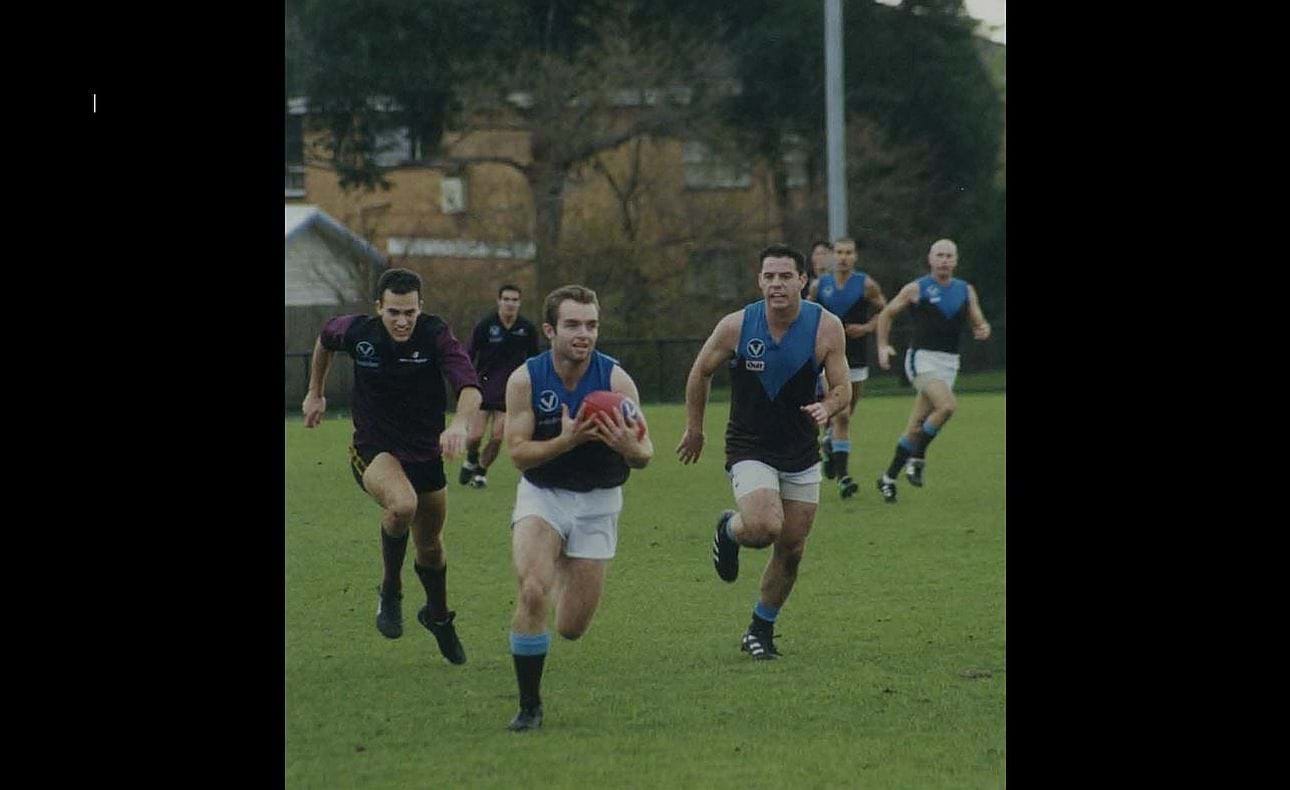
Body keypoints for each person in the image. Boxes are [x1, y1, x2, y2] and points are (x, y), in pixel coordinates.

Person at [677, 244, 850, 660]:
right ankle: (730, 529)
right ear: (759, 281)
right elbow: (700, 372)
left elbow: (843, 387)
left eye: (785, 276)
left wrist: (827, 406)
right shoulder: (737, 326)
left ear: (802, 280)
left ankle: (760, 628)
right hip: (749, 445)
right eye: (769, 277)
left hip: (802, 451)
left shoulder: (826, 328)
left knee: (791, 549)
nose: (777, 284)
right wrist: (695, 430)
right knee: (763, 526)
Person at [301, 267, 480, 664]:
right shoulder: (358, 331)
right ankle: (390, 591)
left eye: (410, 313)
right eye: (394, 312)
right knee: (402, 505)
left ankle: (437, 616)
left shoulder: (436, 334)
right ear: (378, 307)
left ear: (421, 309)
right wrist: (316, 392)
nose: (402, 321)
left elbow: (468, 386)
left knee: (430, 546)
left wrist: (461, 423)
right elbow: (324, 340)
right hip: (374, 448)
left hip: (425, 453)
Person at [502, 284, 654, 731]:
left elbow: (646, 454)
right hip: (543, 495)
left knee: (570, 627)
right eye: (571, 325)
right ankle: (529, 706)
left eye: (590, 325)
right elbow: (517, 453)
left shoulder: (616, 381)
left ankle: (567, 555)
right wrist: (567, 440)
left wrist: (630, 447)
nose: (582, 334)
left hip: (599, 501)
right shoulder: (525, 379)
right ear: (550, 329)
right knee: (533, 590)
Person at [873, 238, 991, 503]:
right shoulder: (917, 288)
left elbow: (979, 321)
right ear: (930, 259)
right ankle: (918, 456)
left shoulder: (965, 290)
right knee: (947, 406)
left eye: (949, 256)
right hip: (922, 360)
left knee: (916, 426)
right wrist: (882, 346)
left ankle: (888, 478)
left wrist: (982, 329)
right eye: (940, 255)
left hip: (949, 364)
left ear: (956, 260)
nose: (944, 260)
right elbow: (885, 315)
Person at [807, 237, 887, 499]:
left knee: (846, 414)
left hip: (857, 357)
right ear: (832, 257)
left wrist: (865, 328)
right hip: (829, 359)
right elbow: (806, 313)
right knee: (840, 416)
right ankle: (844, 478)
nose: (843, 257)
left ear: (855, 257)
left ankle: (829, 443)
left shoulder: (866, 285)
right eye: (839, 252)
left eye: (848, 252)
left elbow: (884, 312)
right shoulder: (820, 286)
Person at [459, 284, 541, 489]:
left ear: (519, 303)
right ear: (499, 301)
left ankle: (480, 472)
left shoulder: (527, 329)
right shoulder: (485, 326)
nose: (510, 303)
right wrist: (465, 381)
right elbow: (468, 354)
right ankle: (471, 458)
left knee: (497, 437)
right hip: (484, 388)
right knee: (474, 436)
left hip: (511, 392)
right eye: (506, 299)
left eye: (514, 300)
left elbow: (535, 360)